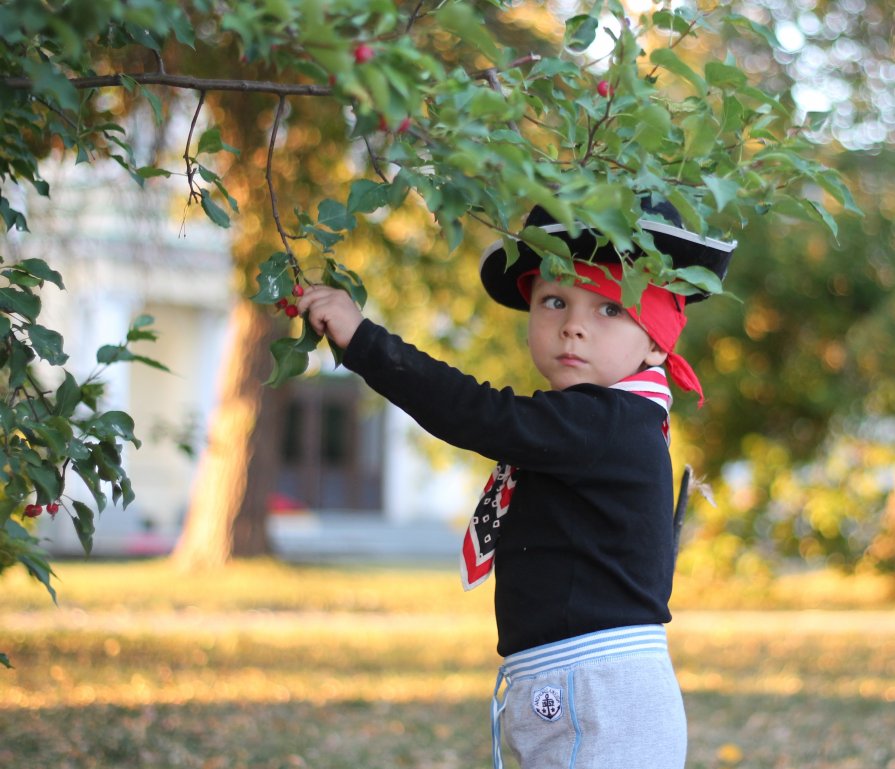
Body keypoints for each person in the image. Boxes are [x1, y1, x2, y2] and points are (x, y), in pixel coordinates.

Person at [296, 201, 735, 769]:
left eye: (610, 309)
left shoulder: (604, 422)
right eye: (554, 302)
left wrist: (365, 343)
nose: (573, 324)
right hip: (577, 684)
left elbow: (478, 413)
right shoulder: (604, 423)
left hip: (597, 694)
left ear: (656, 343)